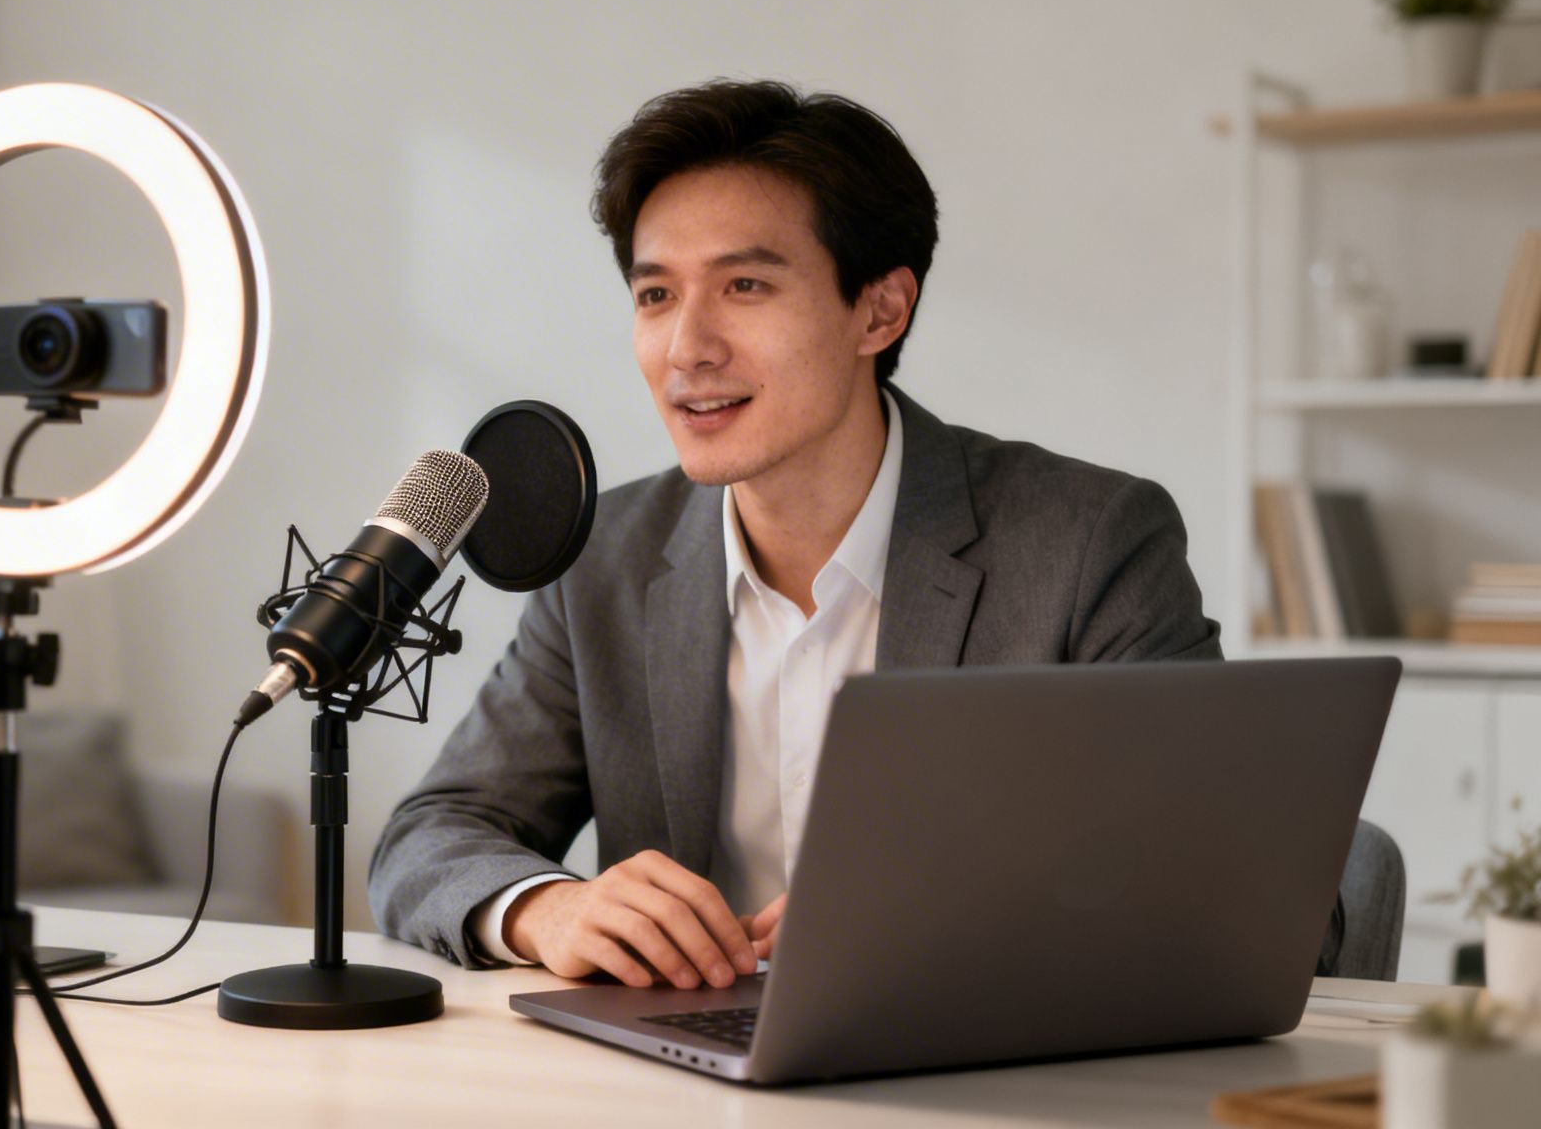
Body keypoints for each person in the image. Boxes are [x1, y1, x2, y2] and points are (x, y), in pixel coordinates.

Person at [369, 79, 1289, 990]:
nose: (688, 347)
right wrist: (546, 908)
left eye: (745, 284)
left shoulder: (1087, 543)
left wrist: (953, 921)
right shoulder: (605, 555)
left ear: (879, 311)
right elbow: (432, 835)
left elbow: (1251, 887)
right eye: (656, 296)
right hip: (680, 1075)